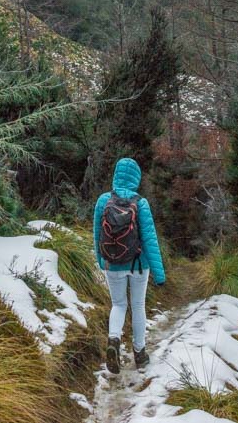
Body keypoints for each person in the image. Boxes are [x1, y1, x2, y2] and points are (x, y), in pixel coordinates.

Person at [93, 157, 165, 374]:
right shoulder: (140, 203)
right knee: (138, 305)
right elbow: (150, 239)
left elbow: (97, 235)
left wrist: (101, 261)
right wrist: (160, 275)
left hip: (113, 263)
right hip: (139, 265)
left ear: (116, 175)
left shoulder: (103, 201)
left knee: (118, 304)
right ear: (136, 178)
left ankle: (114, 340)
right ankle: (140, 354)